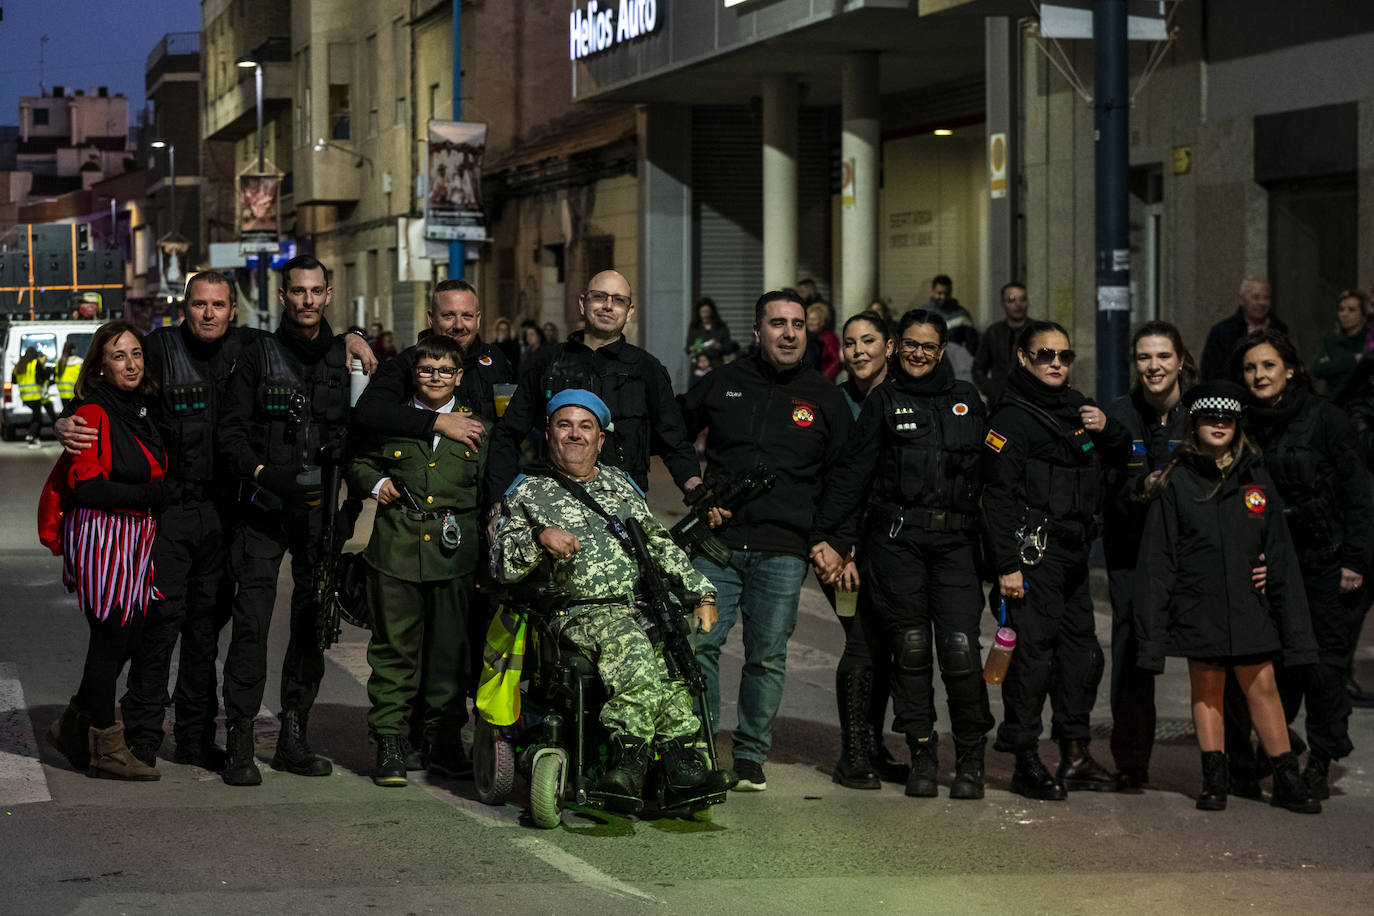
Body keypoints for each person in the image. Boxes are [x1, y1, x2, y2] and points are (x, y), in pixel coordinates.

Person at [53, 275, 376, 774]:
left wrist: (351, 334)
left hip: (227, 510)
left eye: (218, 304)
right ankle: (138, 740)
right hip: (169, 511)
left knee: (207, 630)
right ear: (185, 307)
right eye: (199, 304)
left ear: (233, 310)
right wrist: (68, 418)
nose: (208, 314)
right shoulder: (157, 348)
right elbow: (108, 386)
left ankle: (195, 738)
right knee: (158, 629)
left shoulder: (252, 346)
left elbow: (307, 337)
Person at [496, 390, 723, 806]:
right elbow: (503, 565)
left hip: (637, 605)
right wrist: (537, 536)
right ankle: (629, 760)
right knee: (632, 642)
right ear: (549, 433)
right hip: (578, 612)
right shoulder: (529, 491)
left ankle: (678, 759)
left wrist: (700, 592)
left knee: (672, 649)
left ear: (601, 439)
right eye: (565, 425)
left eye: (586, 427)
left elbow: (656, 541)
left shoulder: (620, 483)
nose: (575, 435)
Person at [814, 309, 995, 799]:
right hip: (897, 545)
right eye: (911, 344)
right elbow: (854, 475)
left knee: (959, 649)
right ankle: (921, 753)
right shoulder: (883, 401)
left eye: (929, 346)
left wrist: (1005, 560)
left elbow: (995, 481)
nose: (919, 353)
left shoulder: (967, 401)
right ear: (898, 346)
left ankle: (972, 758)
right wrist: (835, 539)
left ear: (942, 351)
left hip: (957, 546)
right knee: (911, 650)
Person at [681, 290, 854, 791]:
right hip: (717, 549)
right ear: (757, 332)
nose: (789, 332)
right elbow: (673, 431)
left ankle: (752, 755)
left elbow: (845, 476)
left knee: (766, 654)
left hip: (783, 553)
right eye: (777, 323)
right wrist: (692, 483)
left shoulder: (825, 398)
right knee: (701, 643)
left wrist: (833, 539)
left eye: (797, 324)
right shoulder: (724, 381)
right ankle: (700, 746)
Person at [1134, 381, 1319, 813]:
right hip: (1198, 605)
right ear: (1195, 423)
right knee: (1207, 688)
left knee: (1263, 686)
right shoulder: (1177, 482)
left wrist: (1272, 577)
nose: (1219, 426)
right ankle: (1214, 778)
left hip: (1248, 603)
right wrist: (1154, 627)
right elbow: (1159, 559)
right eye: (1210, 419)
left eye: (1227, 419)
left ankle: (1286, 778)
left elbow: (1277, 546)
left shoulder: (1256, 476)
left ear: (1237, 425)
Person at [217, 255, 352, 787]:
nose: (307, 300)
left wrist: (353, 503)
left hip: (322, 515)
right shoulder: (257, 355)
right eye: (297, 291)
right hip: (264, 511)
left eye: (316, 291)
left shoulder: (347, 357)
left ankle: (294, 736)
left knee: (312, 626)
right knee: (250, 624)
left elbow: (364, 435)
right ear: (283, 296)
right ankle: (241, 741)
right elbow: (229, 433)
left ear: (328, 294)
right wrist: (264, 476)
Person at [981, 320, 1128, 800]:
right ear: (1024, 357)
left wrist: (1108, 429)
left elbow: (1122, 454)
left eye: (1064, 356)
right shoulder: (1010, 419)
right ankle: (1025, 760)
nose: (1057, 364)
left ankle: (1075, 754)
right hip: (1032, 558)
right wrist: (1006, 566)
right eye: (1046, 355)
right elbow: (996, 498)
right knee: (1031, 663)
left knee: (1082, 657)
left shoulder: (1076, 408)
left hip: (1073, 557)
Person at [1229, 330, 1372, 801]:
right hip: (1273, 567)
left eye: (1268, 365)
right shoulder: (1244, 424)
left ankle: (1322, 761)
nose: (1259, 375)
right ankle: (1280, 749)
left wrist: (1355, 559)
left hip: (1328, 564)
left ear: (1289, 369)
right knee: (1276, 664)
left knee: (1324, 669)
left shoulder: (1326, 419)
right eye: (1251, 368)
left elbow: (1358, 492)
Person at [350, 334, 488, 786]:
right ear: (414, 374)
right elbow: (358, 461)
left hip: (454, 556)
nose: (434, 378)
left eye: (445, 371)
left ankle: (444, 741)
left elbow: (493, 487)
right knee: (393, 651)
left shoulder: (476, 428)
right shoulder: (394, 420)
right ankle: (390, 740)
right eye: (426, 370)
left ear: (459, 377)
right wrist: (375, 485)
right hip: (396, 550)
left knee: (450, 653)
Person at [45, 322, 171, 781]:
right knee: (110, 639)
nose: (132, 364)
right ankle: (107, 747)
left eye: (136, 354)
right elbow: (92, 489)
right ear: (100, 363)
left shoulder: (138, 406)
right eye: (119, 356)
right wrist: (157, 496)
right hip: (104, 536)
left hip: (135, 536)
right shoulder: (92, 413)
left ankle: (75, 727)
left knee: (126, 636)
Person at [486, 269, 702, 499]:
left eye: (618, 300)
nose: (608, 306)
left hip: (623, 505)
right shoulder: (547, 362)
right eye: (599, 297)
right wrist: (499, 502)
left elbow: (675, 440)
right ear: (582, 303)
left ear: (629, 312)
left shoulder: (646, 368)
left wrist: (696, 488)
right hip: (552, 503)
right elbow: (508, 434)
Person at [1101, 321, 1196, 789]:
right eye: (1144, 357)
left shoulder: (1200, 414)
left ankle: (1234, 760)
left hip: (1191, 556)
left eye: (1162, 356)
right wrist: (1140, 490)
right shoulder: (1118, 415)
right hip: (1131, 553)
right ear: (1134, 363)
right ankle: (1131, 762)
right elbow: (1106, 488)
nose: (1153, 366)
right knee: (1133, 652)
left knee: (1216, 650)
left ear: (1180, 360)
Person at [826, 312, 903, 787]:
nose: (858, 351)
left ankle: (874, 744)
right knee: (860, 640)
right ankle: (852, 752)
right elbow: (831, 481)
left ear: (889, 346)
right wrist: (842, 547)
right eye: (850, 342)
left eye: (868, 341)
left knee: (887, 644)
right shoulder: (835, 403)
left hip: (892, 544)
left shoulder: (904, 396)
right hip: (843, 546)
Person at [1200, 278, 1287, 380]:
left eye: (1266, 298)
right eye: (1256, 297)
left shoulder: (1279, 329)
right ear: (1242, 300)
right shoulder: (1223, 332)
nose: (1261, 302)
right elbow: (1210, 371)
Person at [973, 282, 1030, 404]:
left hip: (1030, 400)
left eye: (1022, 299)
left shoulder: (1036, 331)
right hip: (998, 400)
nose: (1018, 304)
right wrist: (991, 389)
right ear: (1003, 303)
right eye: (1011, 300)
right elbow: (978, 368)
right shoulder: (993, 332)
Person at [1311, 289, 1370, 397]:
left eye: (1351, 310)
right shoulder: (1331, 341)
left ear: (1363, 314)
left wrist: (1335, 364)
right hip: (1335, 402)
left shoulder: (1369, 342)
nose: (1344, 314)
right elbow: (1318, 368)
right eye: (1341, 309)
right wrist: (1353, 360)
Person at [926, 274, 979, 359]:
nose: (943, 297)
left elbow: (972, 344)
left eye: (946, 293)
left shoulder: (961, 314)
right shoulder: (925, 314)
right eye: (939, 293)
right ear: (933, 291)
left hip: (954, 362)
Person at [14, 346, 57, 447]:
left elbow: (14, 380)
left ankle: (31, 435)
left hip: (25, 397)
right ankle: (32, 437)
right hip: (35, 395)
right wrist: (49, 371)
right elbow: (42, 377)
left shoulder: (20, 364)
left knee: (36, 416)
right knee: (38, 418)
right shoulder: (35, 364)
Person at [685, 296, 732, 368]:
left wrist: (719, 347)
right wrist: (694, 347)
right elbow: (688, 348)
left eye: (707, 311)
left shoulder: (720, 326)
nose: (705, 315)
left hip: (716, 365)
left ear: (712, 312)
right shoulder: (694, 327)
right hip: (699, 367)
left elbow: (728, 347)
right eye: (702, 312)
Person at [807, 302, 841, 381]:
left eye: (814, 319)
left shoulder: (829, 337)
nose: (810, 322)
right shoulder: (807, 336)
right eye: (808, 319)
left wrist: (823, 378)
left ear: (822, 321)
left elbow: (836, 361)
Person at [55, 341, 83, 409]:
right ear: (73, 350)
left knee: (67, 416)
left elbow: (56, 378)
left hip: (63, 395)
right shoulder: (80, 362)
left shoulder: (59, 362)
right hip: (76, 395)